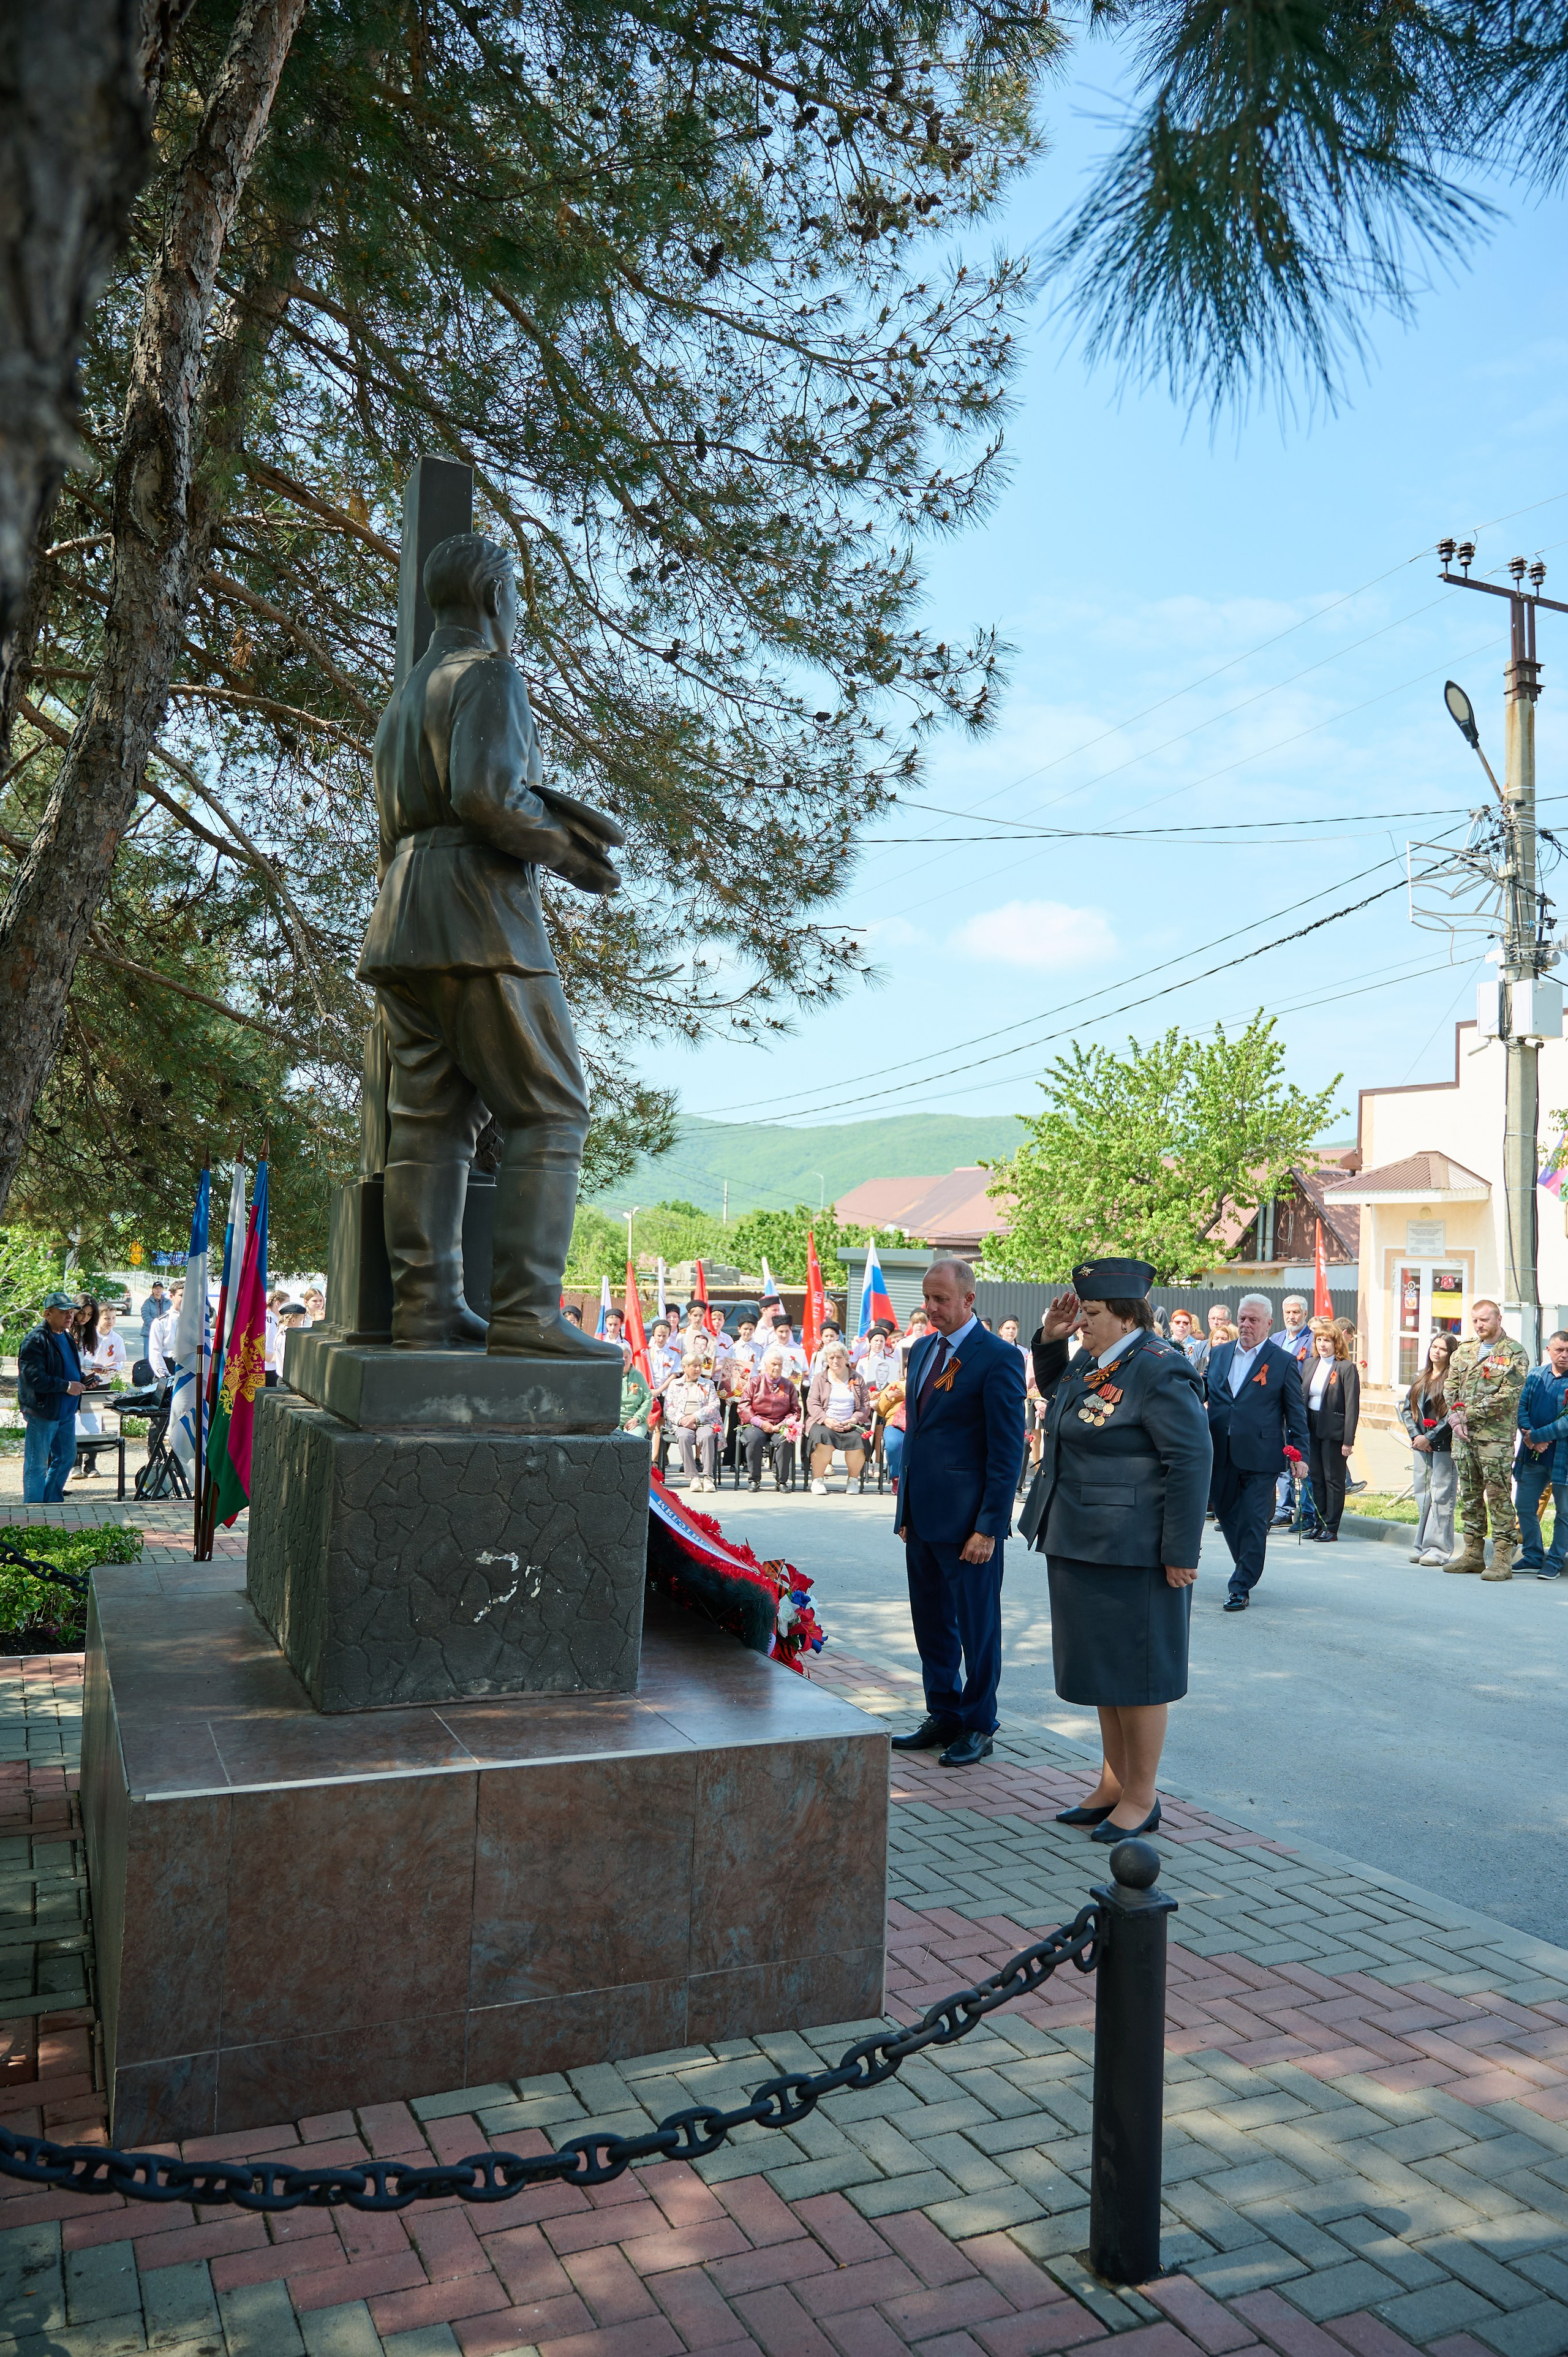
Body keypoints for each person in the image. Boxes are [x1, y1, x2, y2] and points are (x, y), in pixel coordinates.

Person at [1020, 1258, 1210, 1841]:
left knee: (1139, 1674)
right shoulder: (1095, 1360)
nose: (1082, 1322)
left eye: (1093, 1313)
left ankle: (1142, 1796)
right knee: (1104, 1670)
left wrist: (1181, 1551)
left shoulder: (1159, 1367)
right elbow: (1059, 1393)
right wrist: (1050, 1339)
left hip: (1135, 1549)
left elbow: (1191, 1460)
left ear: (1128, 1316)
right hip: (1080, 1539)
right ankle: (1113, 1784)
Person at [889, 1258, 1027, 1770]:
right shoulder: (924, 1349)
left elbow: (1006, 1451)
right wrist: (906, 1509)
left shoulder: (999, 1357)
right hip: (923, 1519)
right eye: (927, 1298)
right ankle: (943, 1713)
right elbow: (918, 1436)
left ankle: (978, 1724)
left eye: (941, 1299)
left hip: (970, 1527)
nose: (931, 1308)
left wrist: (989, 1526)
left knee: (977, 1628)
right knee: (931, 1624)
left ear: (969, 1300)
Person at [1204, 1292, 1308, 1611]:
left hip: (1262, 1455)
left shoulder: (1283, 1361)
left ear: (1268, 1324)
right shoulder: (1219, 1354)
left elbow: (1296, 1413)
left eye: (1253, 1320)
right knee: (1226, 1514)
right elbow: (1202, 1391)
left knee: (1252, 1519)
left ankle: (1240, 1585)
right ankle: (1246, 1565)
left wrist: (1300, 1455)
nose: (1246, 1324)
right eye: (1242, 1319)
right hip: (1220, 1451)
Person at [1447, 1298, 1529, 1578]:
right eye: (1475, 1321)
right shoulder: (1464, 1351)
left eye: (1485, 1319)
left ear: (1498, 1319)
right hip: (1464, 1437)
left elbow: (1507, 1396)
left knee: (1498, 1495)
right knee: (1470, 1495)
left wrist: (1466, 1415)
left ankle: (1503, 1557)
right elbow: (1450, 1386)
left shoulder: (1514, 1353)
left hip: (1494, 1440)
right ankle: (1473, 1553)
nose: (1479, 1325)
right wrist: (1455, 1417)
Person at [19, 1293, 87, 1504]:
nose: (70, 1316)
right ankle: (33, 1509)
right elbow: (34, 1378)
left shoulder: (66, 1337)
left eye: (71, 1312)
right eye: (64, 1312)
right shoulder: (35, 1340)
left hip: (66, 1412)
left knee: (66, 1458)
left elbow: (65, 1369)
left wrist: (83, 1379)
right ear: (48, 1314)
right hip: (44, 1412)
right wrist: (67, 1386)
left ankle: (51, 1502)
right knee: (37, 1464)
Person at [1515, 1328, 1568, 1578]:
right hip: (1533, 1457)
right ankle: (1533, 1556)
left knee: (1564, 1513)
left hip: (1563, 1459)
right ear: (1549, 1350)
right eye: (1560, 1350)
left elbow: (1566, 1423)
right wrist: (1530, 1437)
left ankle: (1555, 1561)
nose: (1564, 1355)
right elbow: (1521, 1408)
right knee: (1525, 1506)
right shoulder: (1535, 1375)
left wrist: (1536, 1437)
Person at [1399, 1335, 1456, 1568]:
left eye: (1443, 1349)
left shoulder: (1453, 1380)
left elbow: (1453, 1415)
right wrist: (1416, 1436)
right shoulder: (1420, 1376)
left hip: (1443, 1445)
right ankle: (1420, 1545)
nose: (1437, 1351)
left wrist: (1430, 1437)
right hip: (1420, 1445)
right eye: (1434, 1346)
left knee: (1442, 1497)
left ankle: (1439, 1549)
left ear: (1451, 1353)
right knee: (1423, 1496)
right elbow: (1406, 1409)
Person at [1301, 1317, 1359, 1541]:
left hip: (1334, 1430)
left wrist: (1348, 1440)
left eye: (1327, 1340)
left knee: (1333, 1479)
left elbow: (1352, 1405)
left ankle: (1331, 1527)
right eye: (1319, 1340)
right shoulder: (1310, 1364)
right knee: (1316, 1477)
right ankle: (1319, 1522)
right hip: (1311, 1425)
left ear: (1337, 1343)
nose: (1323, 1345)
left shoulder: (1346, 1367)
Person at [805, 1342, 872, 1493]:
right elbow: (813, 1403)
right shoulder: (820, 1378)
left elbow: (865, 1405)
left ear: (846, 1359)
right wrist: (827, 1420)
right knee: (822, 1438)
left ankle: (853, 1480)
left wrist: (854, 1420)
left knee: (859, 1439)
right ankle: (818, 1480)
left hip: (851, 1423)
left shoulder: (857, 1378)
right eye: (832, 1358)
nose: (835, 1361)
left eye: (839, 1357)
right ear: (827, 1360)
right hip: (825, 1422)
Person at [1270, 1297, 1314, 1525]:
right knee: (1281, 1457)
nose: (1291, 1317)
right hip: (1276, 1407)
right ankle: (1285, 1507)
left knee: (1300, 1457)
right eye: (1287, 1312)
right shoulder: (1275, 1339)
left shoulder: (1312, 1340)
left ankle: (1306, 1512)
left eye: (1296, 1312)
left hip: (1299, 1407)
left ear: (1305, 1314)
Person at [737, 1348, 801, 1488]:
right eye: (773, 1364)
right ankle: (754, 1479)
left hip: (780, 1424)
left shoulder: (789, 1385)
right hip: (757, 1423)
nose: (777, 1368)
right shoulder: (755, 1383)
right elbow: (743, 1407)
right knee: (753, 1439)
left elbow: (795, 1411)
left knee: (785, 1440)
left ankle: (782, 1481)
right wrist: (761, 1424)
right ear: (765, 1365)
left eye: (780, 1365)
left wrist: (782, 1425)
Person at [665, 1352, 722, 1490]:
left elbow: (714, 1405)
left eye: (699, 1366)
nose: (698, 1369)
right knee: (683, 1437)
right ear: (684, 1367)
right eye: (694, 1366)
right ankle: (694, 1477)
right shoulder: (675, 1384)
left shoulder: (708, 1384)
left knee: (707, 1436)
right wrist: (683, 1420)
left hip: (705, 1422)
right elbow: (669, 1407)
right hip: (683, 1423)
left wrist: (695, 1417)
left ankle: (708, 1476)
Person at [148, 1284, 184, 1385]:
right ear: (172, 1297)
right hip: (168, 1366)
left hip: (189, 1367)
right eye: (182, 1295)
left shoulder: (196, 1322)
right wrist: (165, 1376)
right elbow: (155, 1352)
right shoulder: (161, 1322)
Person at [620, 1343, 652, 1436]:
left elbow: (648, 1399)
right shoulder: (609, 1376)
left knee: (634, 1440)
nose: (624, 1360)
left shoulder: (639, 1376)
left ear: (631, 1358)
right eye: (621, 1357)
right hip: (614, 1422)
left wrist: (637, 1419)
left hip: (635, 1420)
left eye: (626, 1357)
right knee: (612, 1440)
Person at [92, 1302, 129, 1382]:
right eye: (107, 1318)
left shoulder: (117, 1339)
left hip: (105, 1380)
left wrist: (116, 1366)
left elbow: (121, 1361)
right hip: (87, 1379)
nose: (111, 1321)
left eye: (114, 1318)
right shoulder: (89, 1336)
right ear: (97, 1319)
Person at [140, 1281, 167, 1345]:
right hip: (149, 1332)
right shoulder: (148, 1302)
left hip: (164, 1333)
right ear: (153, 1290)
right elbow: (145, 1315)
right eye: (156, 1288)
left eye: (160, 1288)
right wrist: (155, 1325)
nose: (158, 1290)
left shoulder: (168, 1302)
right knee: (148, 1351)